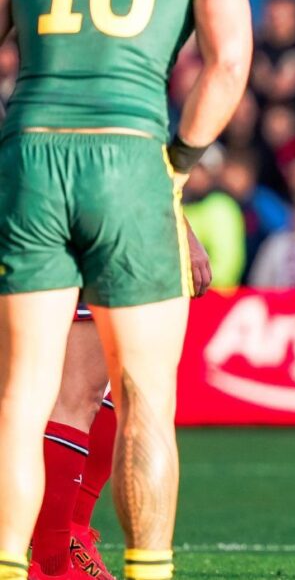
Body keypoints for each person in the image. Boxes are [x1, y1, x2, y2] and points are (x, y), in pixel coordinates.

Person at [0, 0, 253, 578]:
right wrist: (177, 163)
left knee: (22, 395)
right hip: (128, 158)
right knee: (144, 397)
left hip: (33, 154)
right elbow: (229, 62)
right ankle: (145, 569)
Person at [31, 228, 210, 580]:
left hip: (76, 220)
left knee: (121, 381)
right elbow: (147, 171)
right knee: (79, 395)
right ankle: (51, 562)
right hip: (104, 222)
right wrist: (181, 231)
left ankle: (69, 535)